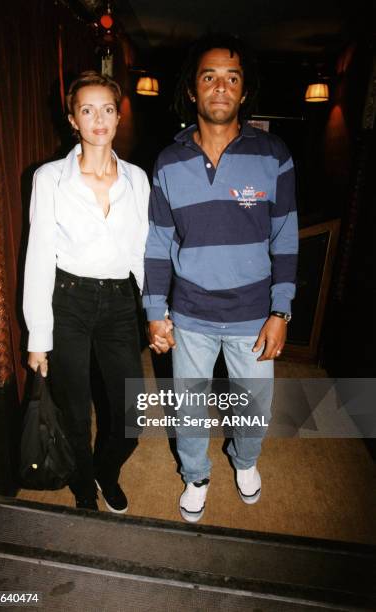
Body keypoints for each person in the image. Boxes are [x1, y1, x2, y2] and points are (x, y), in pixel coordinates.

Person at [143, 34, 298, 522]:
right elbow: (158, 244)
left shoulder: (273, 154)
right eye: (209, 76)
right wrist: (154, 312)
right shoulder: (168, 162)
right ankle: (195, 475)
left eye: (231, 77)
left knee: (253, 412)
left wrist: (281, 310)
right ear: (193, 88)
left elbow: (286, 238)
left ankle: (244, 461)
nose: (220, 87)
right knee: (188, 407)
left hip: (253, 315)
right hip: (190, 313)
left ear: (244, 89)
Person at [23, 71, 149, 512]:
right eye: (88, 109)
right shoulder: (50, 178)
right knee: (76, 412)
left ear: (118, 116)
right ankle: (82, 488)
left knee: (131, 416)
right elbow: (38, 256)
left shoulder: (137, 180)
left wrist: (154, 312)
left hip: (118, 303)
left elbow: (141, 253)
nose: (99, 118)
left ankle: (104, 471)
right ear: (73, 119)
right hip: (68, 300)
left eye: (108, 109)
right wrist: (39, 337)